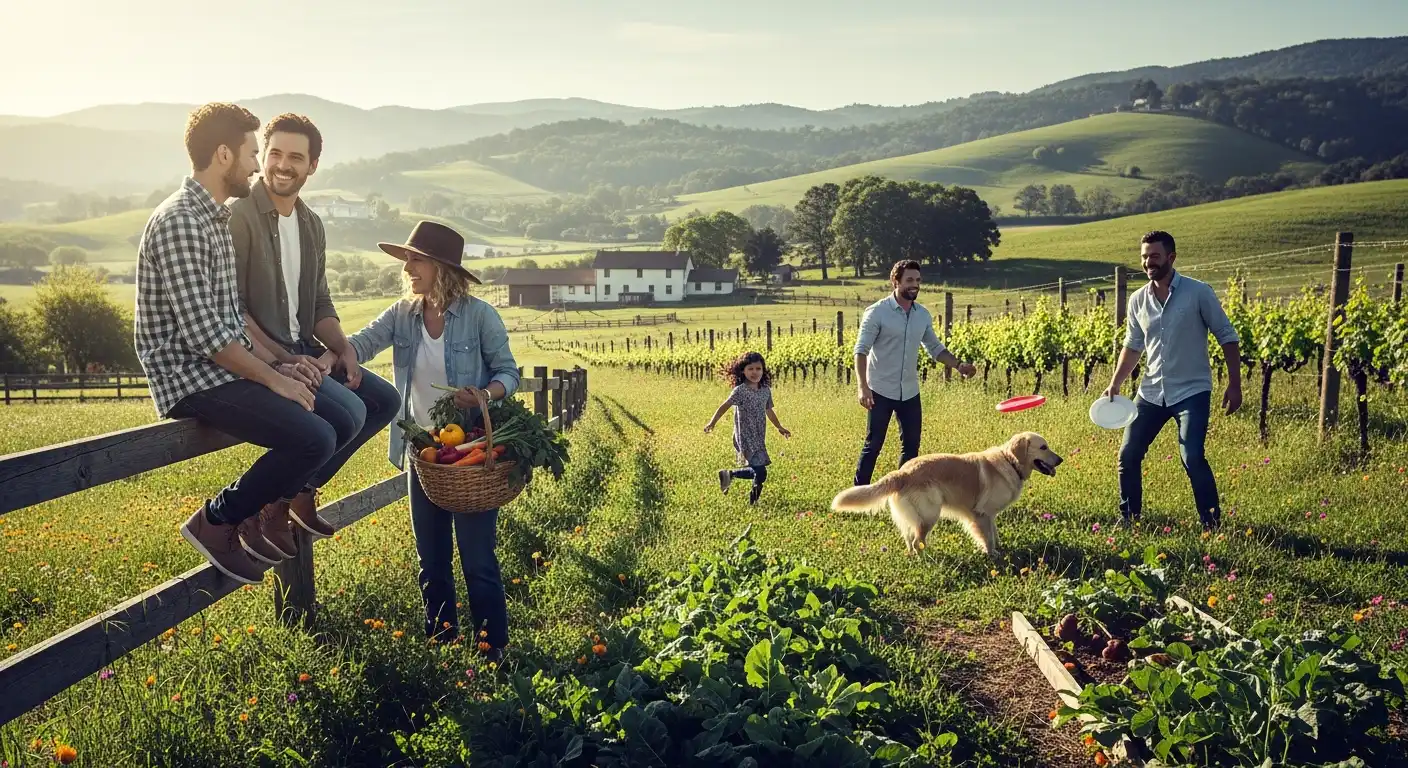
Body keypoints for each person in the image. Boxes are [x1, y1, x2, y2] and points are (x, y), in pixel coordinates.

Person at [136, 103, 352, 585]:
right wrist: (273, 378)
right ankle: (217, 520)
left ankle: (268, 513)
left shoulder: (211, 220)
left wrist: (284, 363)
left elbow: (232, 318)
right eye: (254, 153)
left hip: (219, 367)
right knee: (315, 436)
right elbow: (205, 336)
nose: (257, 166)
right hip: (188, 377)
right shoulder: (180, 222)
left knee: (334, 421)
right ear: (223, 155)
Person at [345, 220, 520, 659]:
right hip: (423, 451)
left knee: (478, 559)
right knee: (431, 560)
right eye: (406, 259)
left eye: (416, 260)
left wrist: (485, 394)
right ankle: (443, 648)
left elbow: (508, 372)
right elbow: (361, 344)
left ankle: (493, 650)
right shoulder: (401, 314)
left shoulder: (480, 316)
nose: (407, 268)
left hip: (468, 452)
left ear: (442, 268)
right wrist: (319, 354)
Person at [228, 113, 401, 548]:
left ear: (313, 165)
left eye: (295, 157)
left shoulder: (310, 224)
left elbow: (320, 302)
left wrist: (343, 347)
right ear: (263, 156)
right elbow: (234, 310)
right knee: (348, 414)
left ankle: (300, 492)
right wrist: (284, 360)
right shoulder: (239, 217)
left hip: (303, 347)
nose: (282, 165)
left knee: (384, 400)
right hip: (263, 354)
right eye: (275, 154)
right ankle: (273, 502)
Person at [1103, 230, 1242, 531]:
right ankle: (1129, 519)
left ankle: (1211, 523)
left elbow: (1227, 336)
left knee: (1192, 456)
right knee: (1128, 454)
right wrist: (1115, 383)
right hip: (1151, 392)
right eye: (1144, 257)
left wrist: (1235, 384)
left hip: (1192, 391)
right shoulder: (1138, 300)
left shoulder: (1198, 292)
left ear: (1171, 257)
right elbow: (1133, 346)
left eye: (1154, 256)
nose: (1148, 262)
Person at [852, 259, 976, 486]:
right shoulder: (877, 313)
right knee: (873, 445)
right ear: (895, 281)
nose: (915, 285)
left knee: (911, 448)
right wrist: (863, 387)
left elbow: (935, 348)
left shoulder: (922, 315)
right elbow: (861, 351)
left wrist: (958, 365)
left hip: (909, 391)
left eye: (918, 280)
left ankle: (904, 494)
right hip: (880, 390)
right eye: (909, 280)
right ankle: (858, 495)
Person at [703, 351, 791, 505]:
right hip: (744, 436)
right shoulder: (740, 390)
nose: (754, 372)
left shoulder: (765, 390)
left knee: (759, 472)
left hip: (758, 436)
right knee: (761, 471)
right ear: (743, 371)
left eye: (758, 368)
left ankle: (729, 475)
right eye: (750, 369)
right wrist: (712, 422)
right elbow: (724, 406)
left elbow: (769, 410)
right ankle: (753, 502)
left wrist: (779, 427)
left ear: (763, 370)